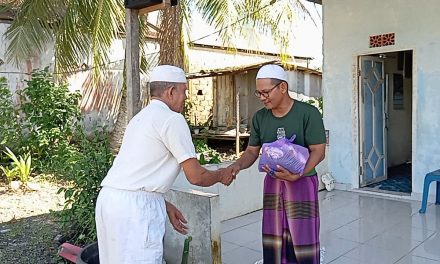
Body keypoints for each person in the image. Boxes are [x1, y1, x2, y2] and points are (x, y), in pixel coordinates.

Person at [95, 65, 235, 264]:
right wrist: (221, 174)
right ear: (171, 92)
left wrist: (164, 204)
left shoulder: (139, 119)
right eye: (184, 92)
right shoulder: (172, 119)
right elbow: (196, 176)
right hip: (136, 210)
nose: (185, 98)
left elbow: (137, 173)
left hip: (110, 200)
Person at [229, 64, 326, 264]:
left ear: (282, 87)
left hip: (302, 183)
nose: (262, 97)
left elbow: (318, 151)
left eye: (266, 92)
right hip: (273, 184)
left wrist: (298, 174)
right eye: (259, 93)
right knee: (274, 235)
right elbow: (251, 152)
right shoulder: (260, 118)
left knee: (302, 236)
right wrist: (236, 166)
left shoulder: (308, 113)